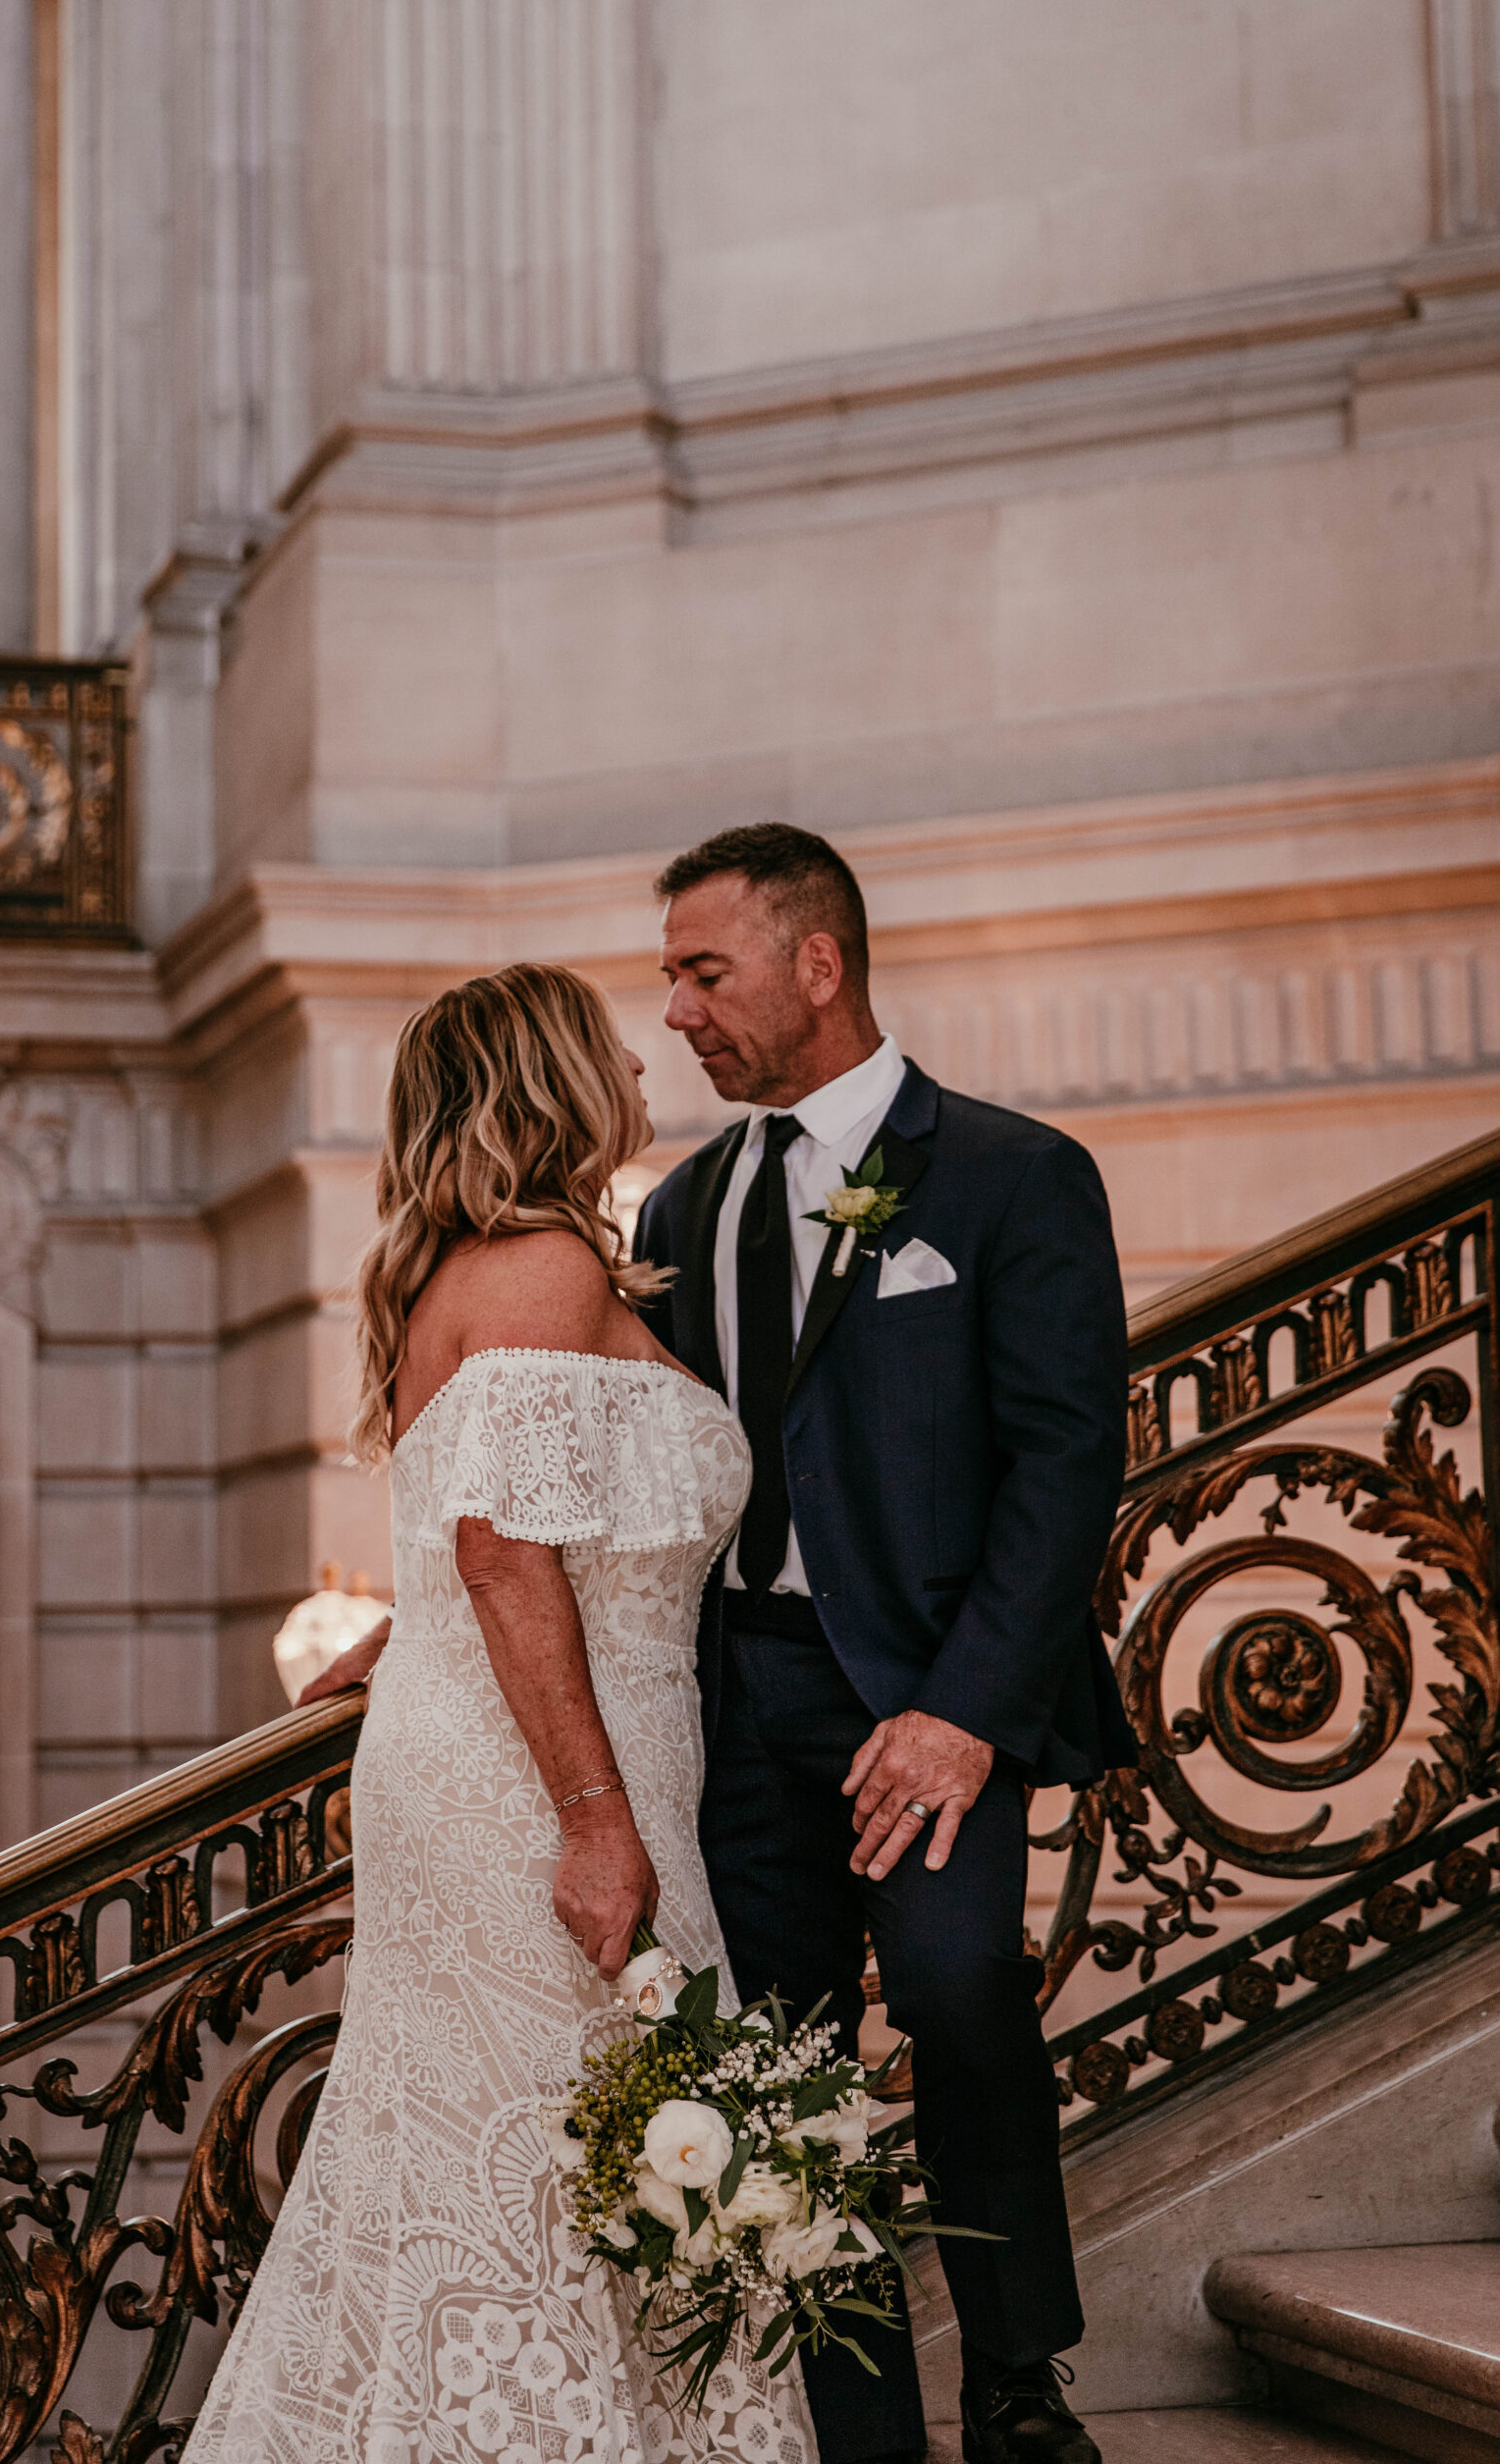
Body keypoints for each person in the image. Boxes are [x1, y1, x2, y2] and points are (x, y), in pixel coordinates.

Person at [185, 962, 817, 2464]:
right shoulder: (541, 1264)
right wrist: (595, 1818)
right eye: (609, 1039)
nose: (639, 1056)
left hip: (526, 1744)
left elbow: (503, 1528)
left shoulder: (473, 1270)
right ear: (550, 1077)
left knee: (538, 2153)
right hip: (543, 1784)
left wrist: (409, 1624)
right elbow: (503, 1544)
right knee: (548, 2162)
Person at [632, 825, 1133, 2464]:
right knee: (775, 2065)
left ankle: (1013, 2376)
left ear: (817, 962)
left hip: (927, 1699)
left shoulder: (1009, 1174)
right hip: (735, 1696)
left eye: (706, 973)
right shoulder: (687, 1206)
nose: (679, 1013)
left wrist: (966, 1712)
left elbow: (1066, 1469)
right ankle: (854, 2428)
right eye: (671, 981)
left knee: (955, 1984)